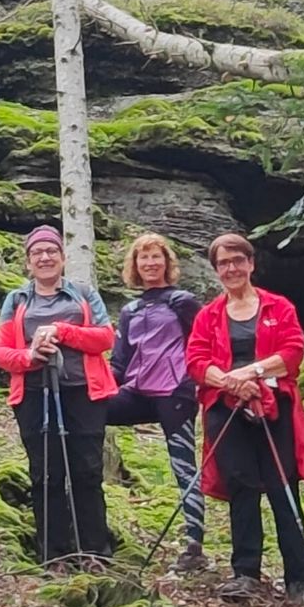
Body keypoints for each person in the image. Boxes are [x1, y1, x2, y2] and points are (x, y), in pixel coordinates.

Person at [186, 233, 304, 605]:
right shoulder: (208, 315)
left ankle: (298, 581)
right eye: (223, 263)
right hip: (225, 409)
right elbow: (197, 362)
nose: (231, 268)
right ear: (216, 270)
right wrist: (231, 382)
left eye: (237, 260)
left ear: (251, 264)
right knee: (241, 488)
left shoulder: (278, 307)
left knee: (283, 486)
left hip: (273, 407)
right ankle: (245, 573)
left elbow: (292, 352)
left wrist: (247, 374)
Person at [0, 225, 117, 566]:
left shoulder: (83, 294)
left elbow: (106, 338)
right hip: (34, 393)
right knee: (46, 472)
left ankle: (95, 550)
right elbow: (1, 353)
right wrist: (31, 357)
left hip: (83, 391)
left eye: (51, 252)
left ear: (62, 258)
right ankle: (53, 553)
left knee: (87, 470)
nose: (45, 258)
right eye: (37, 253)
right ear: (28, 263)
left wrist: (62, 332)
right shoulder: (16, 300)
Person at [106, 233, 208, 573]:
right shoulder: (131, 310)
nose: (149, 263)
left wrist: (193, 383)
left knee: (182, 464)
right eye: (142, 258)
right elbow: (119, 362)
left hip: (174, 392)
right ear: (134, 266)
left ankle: (194, 543)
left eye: (155, 257)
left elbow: (204, 343)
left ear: (167, 262)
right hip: (136, 391)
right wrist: (95, 389)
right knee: (89, 414)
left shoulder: (182, 302)